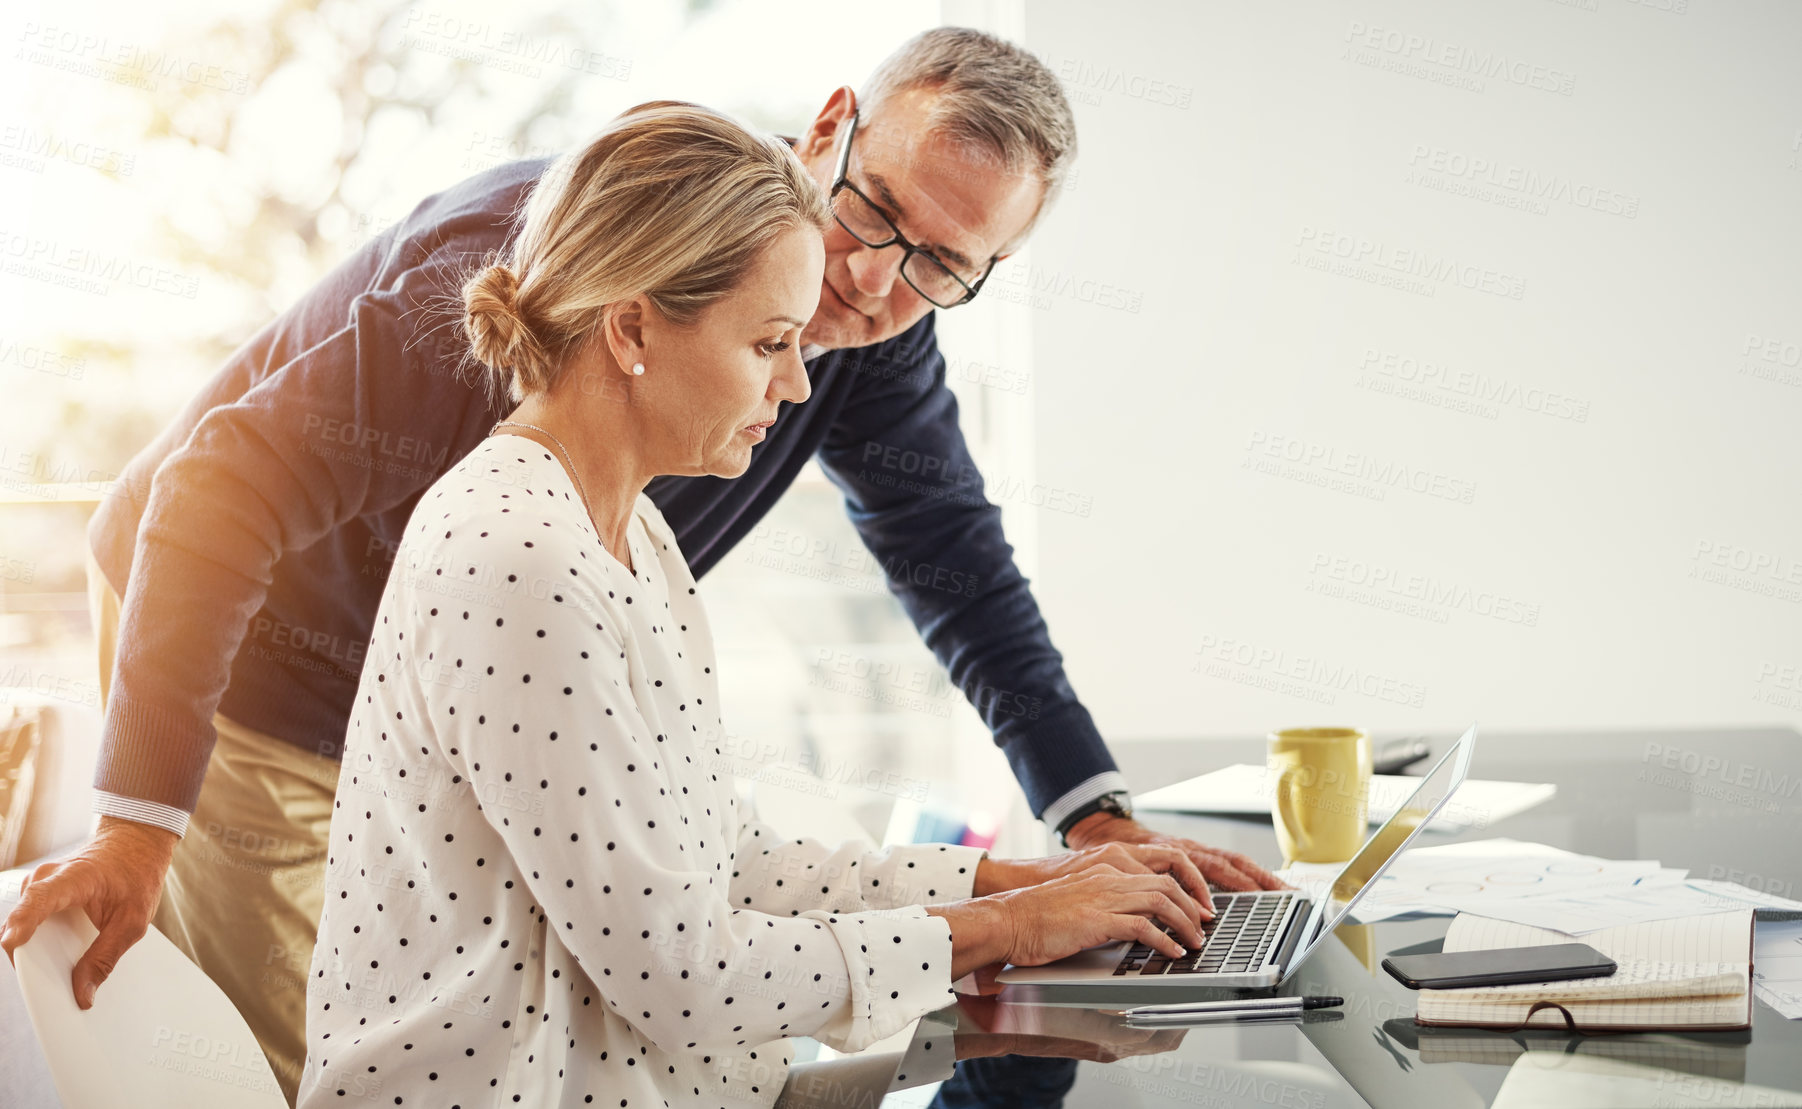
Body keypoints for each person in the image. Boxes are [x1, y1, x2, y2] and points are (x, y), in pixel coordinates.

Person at [2, 26, 1279, 1106]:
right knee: (342, 1030)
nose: (873, 286)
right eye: (876, 213)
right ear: (832, 126)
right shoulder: (538, 293)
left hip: (495, 658)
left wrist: (1079, 840)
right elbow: (212, 495)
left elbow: (955, 570)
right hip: (264, 642)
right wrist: (136, 821)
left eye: (944, 265)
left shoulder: (665, 502)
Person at [298, 100, 1212, 1109]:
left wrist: (1018, 886)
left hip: (679, 1081)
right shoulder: (520, 559)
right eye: (769, 341)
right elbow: (684, 975)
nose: (792, 385)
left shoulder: (631, 535)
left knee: (1035, 1054)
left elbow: (727, 862)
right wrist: (1001, 934)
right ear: (635, 325)